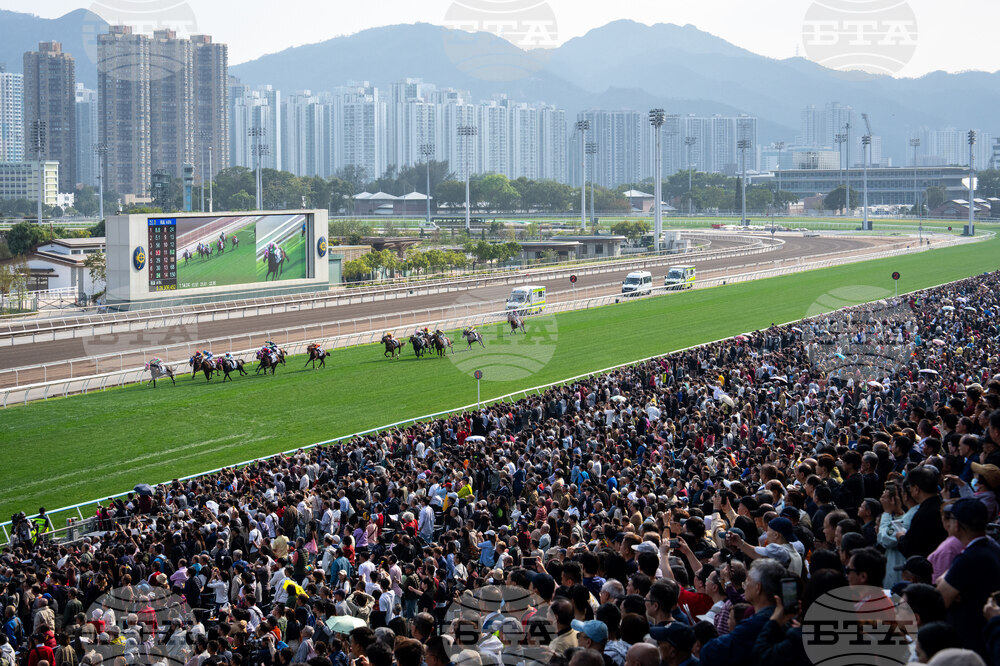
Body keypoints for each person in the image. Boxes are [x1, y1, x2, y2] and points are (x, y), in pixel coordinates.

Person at [938, 498, 1000, 658]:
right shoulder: (992, 547)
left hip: (971, 639)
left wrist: (947, 579)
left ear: (957, 525)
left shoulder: (968, 558)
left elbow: (941, 598)